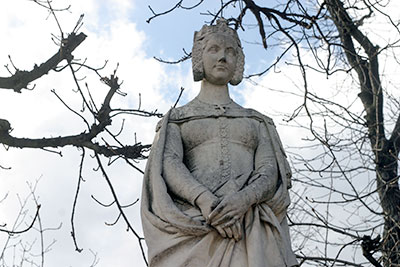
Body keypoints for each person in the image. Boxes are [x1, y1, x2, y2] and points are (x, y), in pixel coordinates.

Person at [141, 19, 298, 267]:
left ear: (238, 61)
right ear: (199, 57)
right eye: (214, 49)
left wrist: (244, 200)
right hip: (192, 228)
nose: (222, 57)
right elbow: (168, 165)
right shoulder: (177, 120)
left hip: (250, 227)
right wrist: (205, 200)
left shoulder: (258, 122)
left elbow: (270, 171)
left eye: (230, 51)